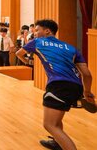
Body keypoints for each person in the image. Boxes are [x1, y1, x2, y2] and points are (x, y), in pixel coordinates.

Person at [16, 19, 94, 150]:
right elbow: (87, 74)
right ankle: (58, 142)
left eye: (37, 30)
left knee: (49, 125)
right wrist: (87, 92)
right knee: (56, 120)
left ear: (47, 31)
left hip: (58, 85)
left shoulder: (37, 42)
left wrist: (28, 62)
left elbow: (19, 54)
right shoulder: (71, 48)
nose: (35, 33)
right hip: (76, 86)